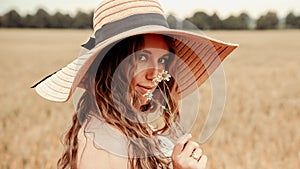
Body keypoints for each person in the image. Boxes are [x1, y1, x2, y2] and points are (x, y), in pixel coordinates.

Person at [32, 0, 238, 168]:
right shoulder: (102, 143)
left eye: (163, 60)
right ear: (112, 64)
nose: (154, 74)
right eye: (141, 58)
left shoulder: (130, 126)